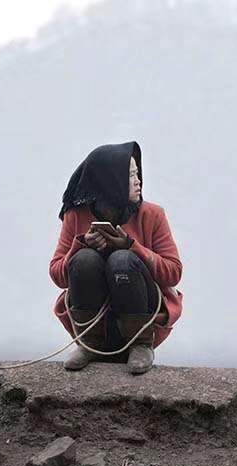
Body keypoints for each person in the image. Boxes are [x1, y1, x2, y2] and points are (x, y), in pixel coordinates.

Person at [49, 141, 183, 374]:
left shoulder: (152, 214)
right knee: (85, 259)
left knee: (121, 260)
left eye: (137, 173)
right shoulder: (75, 215)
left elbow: (173, 272)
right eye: (130, 175)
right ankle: (90, 344)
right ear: (110, 181)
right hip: (95, 322)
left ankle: (140, 345)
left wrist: (133, 247)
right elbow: (58, 275)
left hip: (143, 312)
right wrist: (80, 245)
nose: (138, 180)